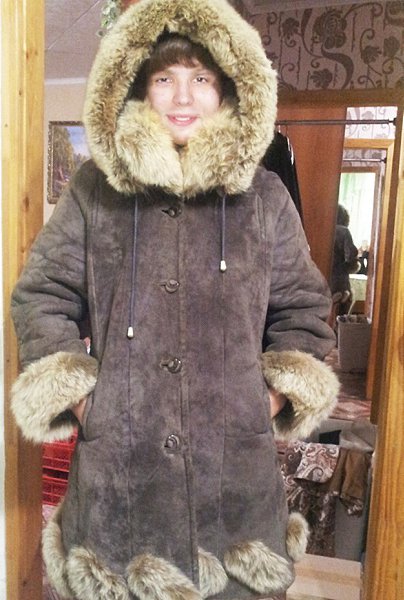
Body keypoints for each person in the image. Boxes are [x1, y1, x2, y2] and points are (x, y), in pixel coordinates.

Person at [10, 1, 339, 599]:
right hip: (119, 489)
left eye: (201, 78)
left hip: (235, 493)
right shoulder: (93, 192)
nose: (183, 97)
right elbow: (42, 295)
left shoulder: (265, 199)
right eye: (165, 78)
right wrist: (86, 401)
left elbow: (304, 310)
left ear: (229, 88)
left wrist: (264, 400)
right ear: (139, 86)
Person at [330, 205, 360, 314]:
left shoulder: (321, 229)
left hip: (320, 282)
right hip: (339, 283)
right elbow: (351, 257)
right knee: (339, 316)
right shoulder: (343, 231)